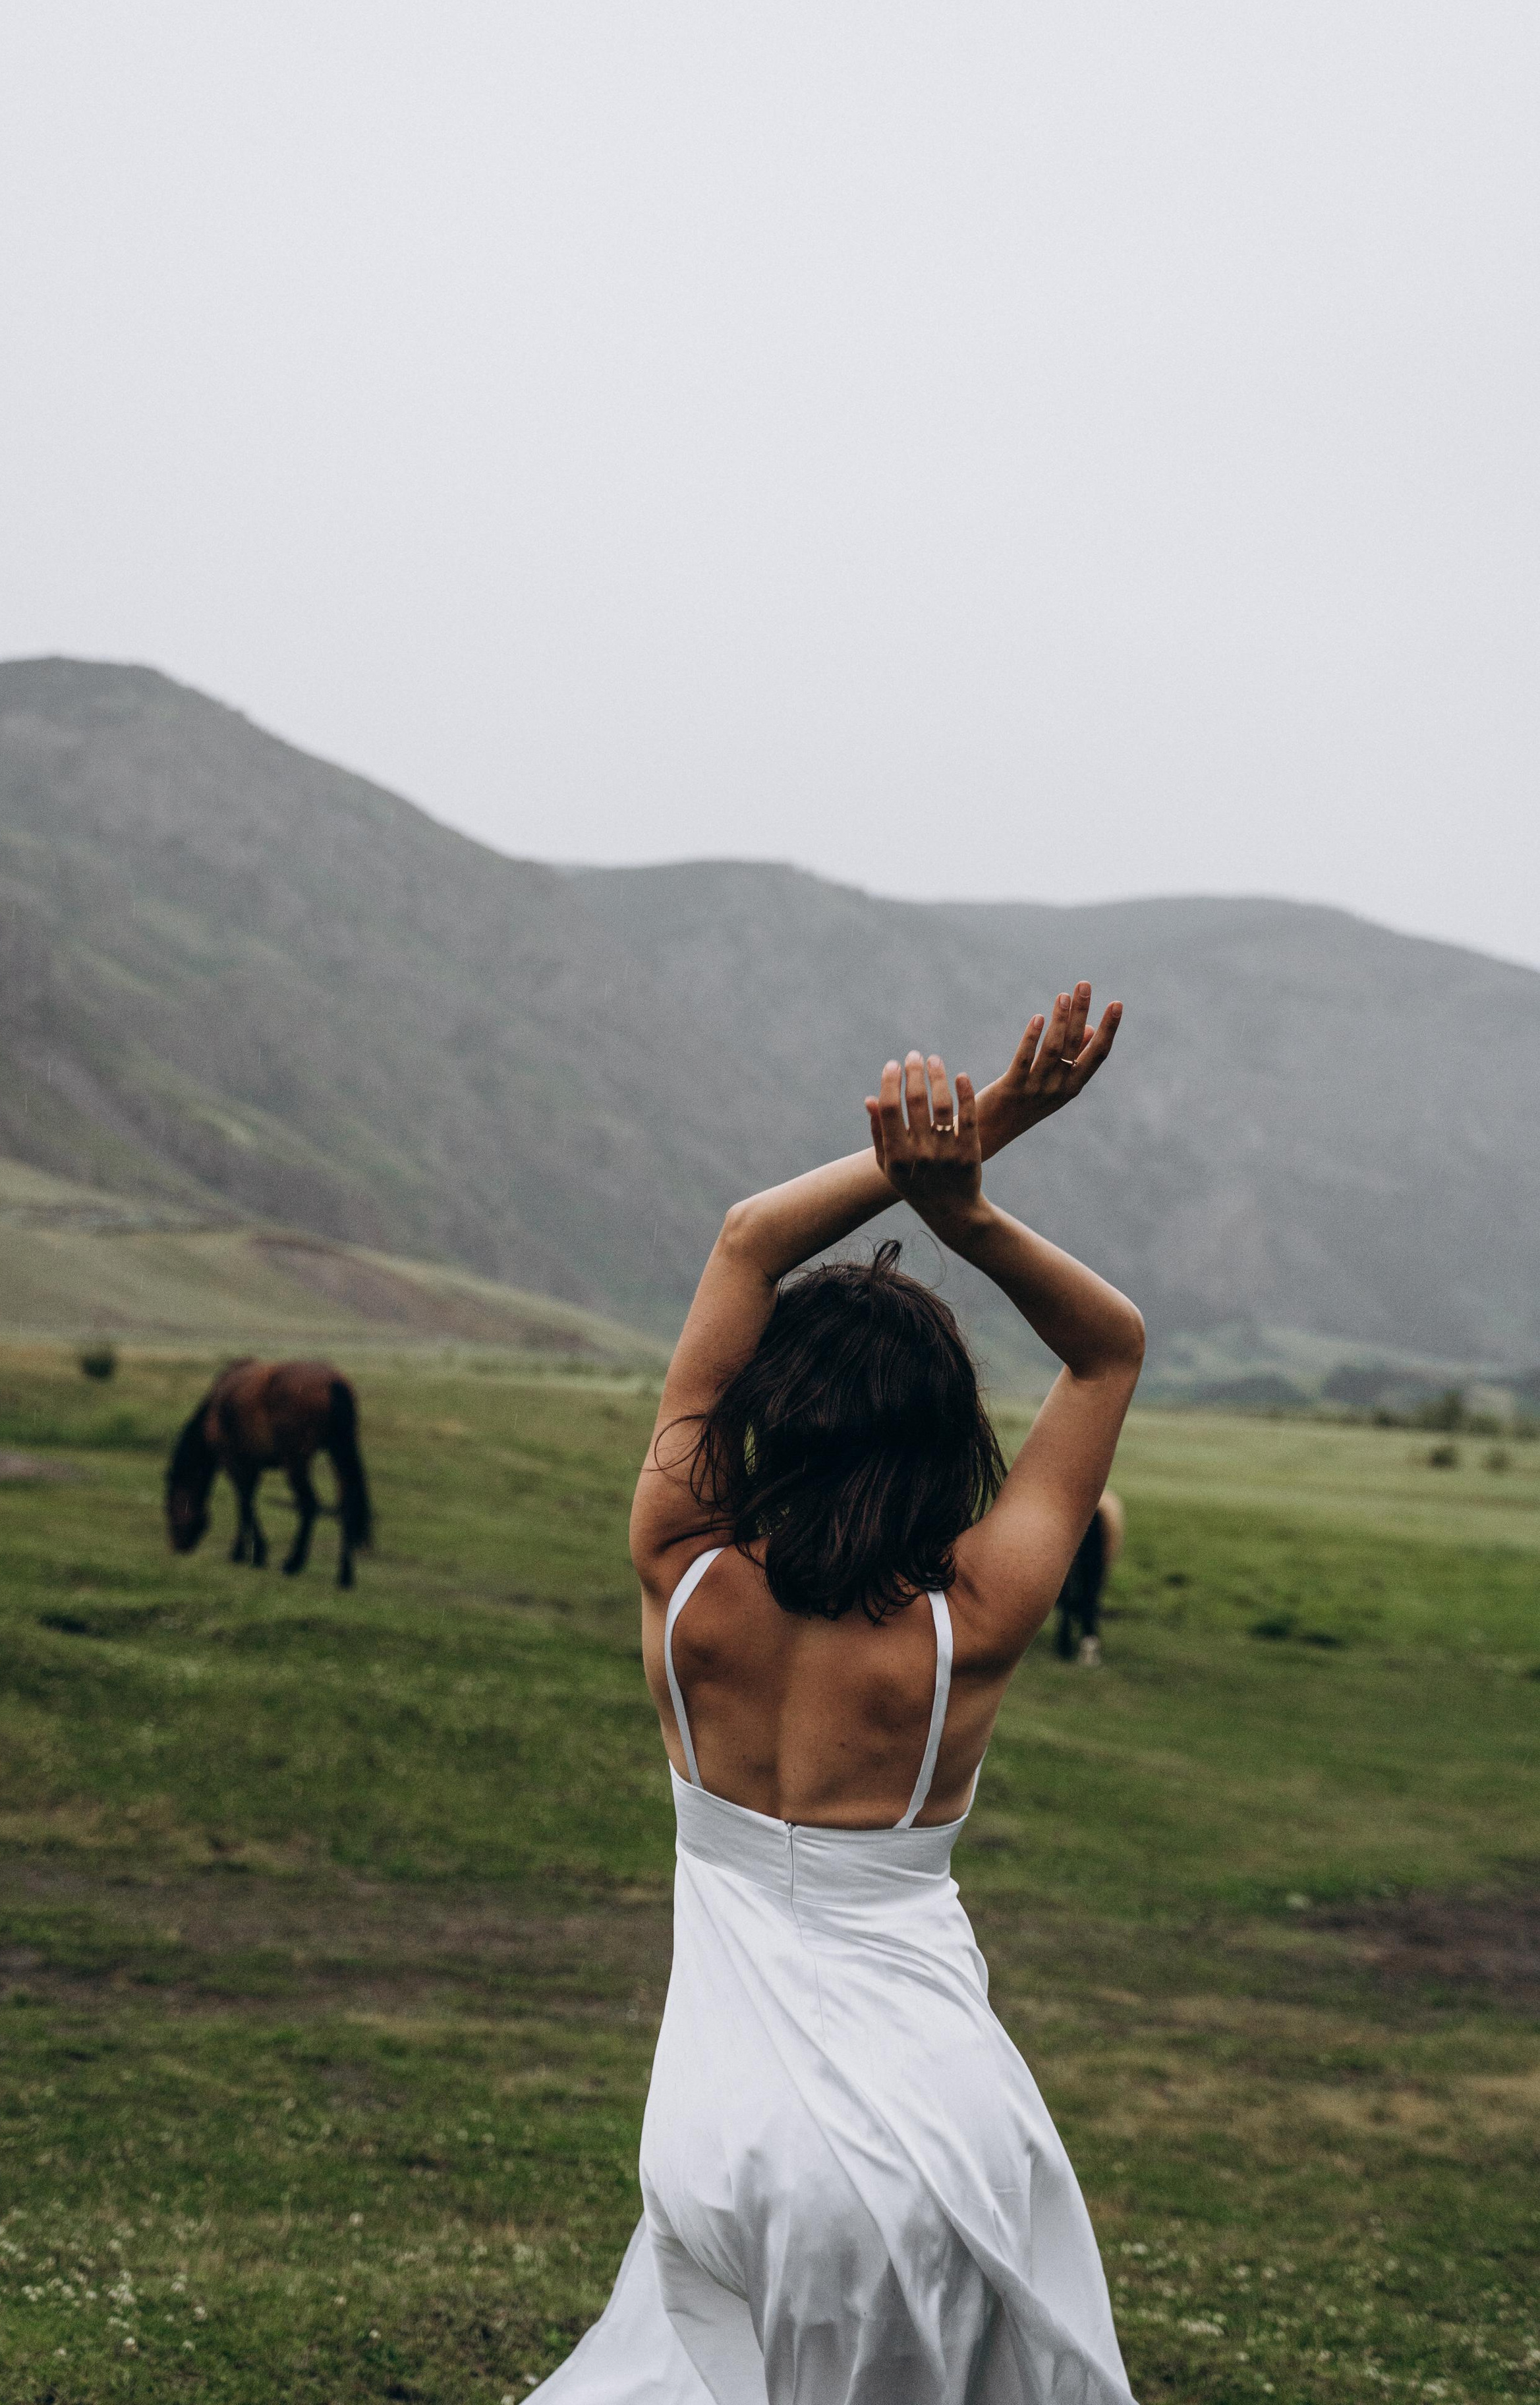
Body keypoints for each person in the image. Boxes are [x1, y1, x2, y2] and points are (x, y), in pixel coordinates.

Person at [532, 986, 1145, 2405]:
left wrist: (965, 1132)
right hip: (935, 2139)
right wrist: (968, 1206)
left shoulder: (677, 1561)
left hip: (712, 2132)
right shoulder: (971, 1623)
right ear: (945, 1439)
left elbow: (749, 1236)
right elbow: (1106, 1347)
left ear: (763, 1409)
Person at [1055, 1489, 1126, 1666]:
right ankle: (1085, 1638)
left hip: (1083, 1545)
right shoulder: (1107, 1506)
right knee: (1089, 1588)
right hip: (1094, 1552)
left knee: (1069, 1586)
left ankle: (1069, 1637)